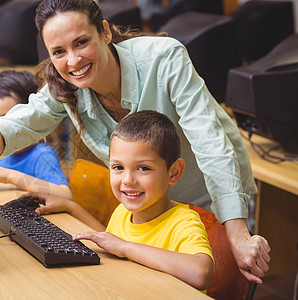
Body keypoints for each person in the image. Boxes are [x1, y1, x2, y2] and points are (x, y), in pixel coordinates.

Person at [0, 0, 270, 283]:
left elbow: (211, 143)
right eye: (59, 51)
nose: (73, 61)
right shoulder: (65, 88)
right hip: (152, 211)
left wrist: (239, 234)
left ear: (106, 32)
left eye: (81, 42)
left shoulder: (163, 58)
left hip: (213, 199)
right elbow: (16, 126)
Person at [29, 110, 214, 291]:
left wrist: (125, 247)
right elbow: (110, 240)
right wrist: (70, 207)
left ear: (173, 172)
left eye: (143, 168)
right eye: (118, 167)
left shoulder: (184, 222)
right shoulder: (124, 211)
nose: (127, 180)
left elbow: (200, 273)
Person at [0, 70, 72, 200]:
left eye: (4, 121)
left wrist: (10, 176)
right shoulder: (1, 151)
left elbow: (65, 195)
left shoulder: (42, 155)